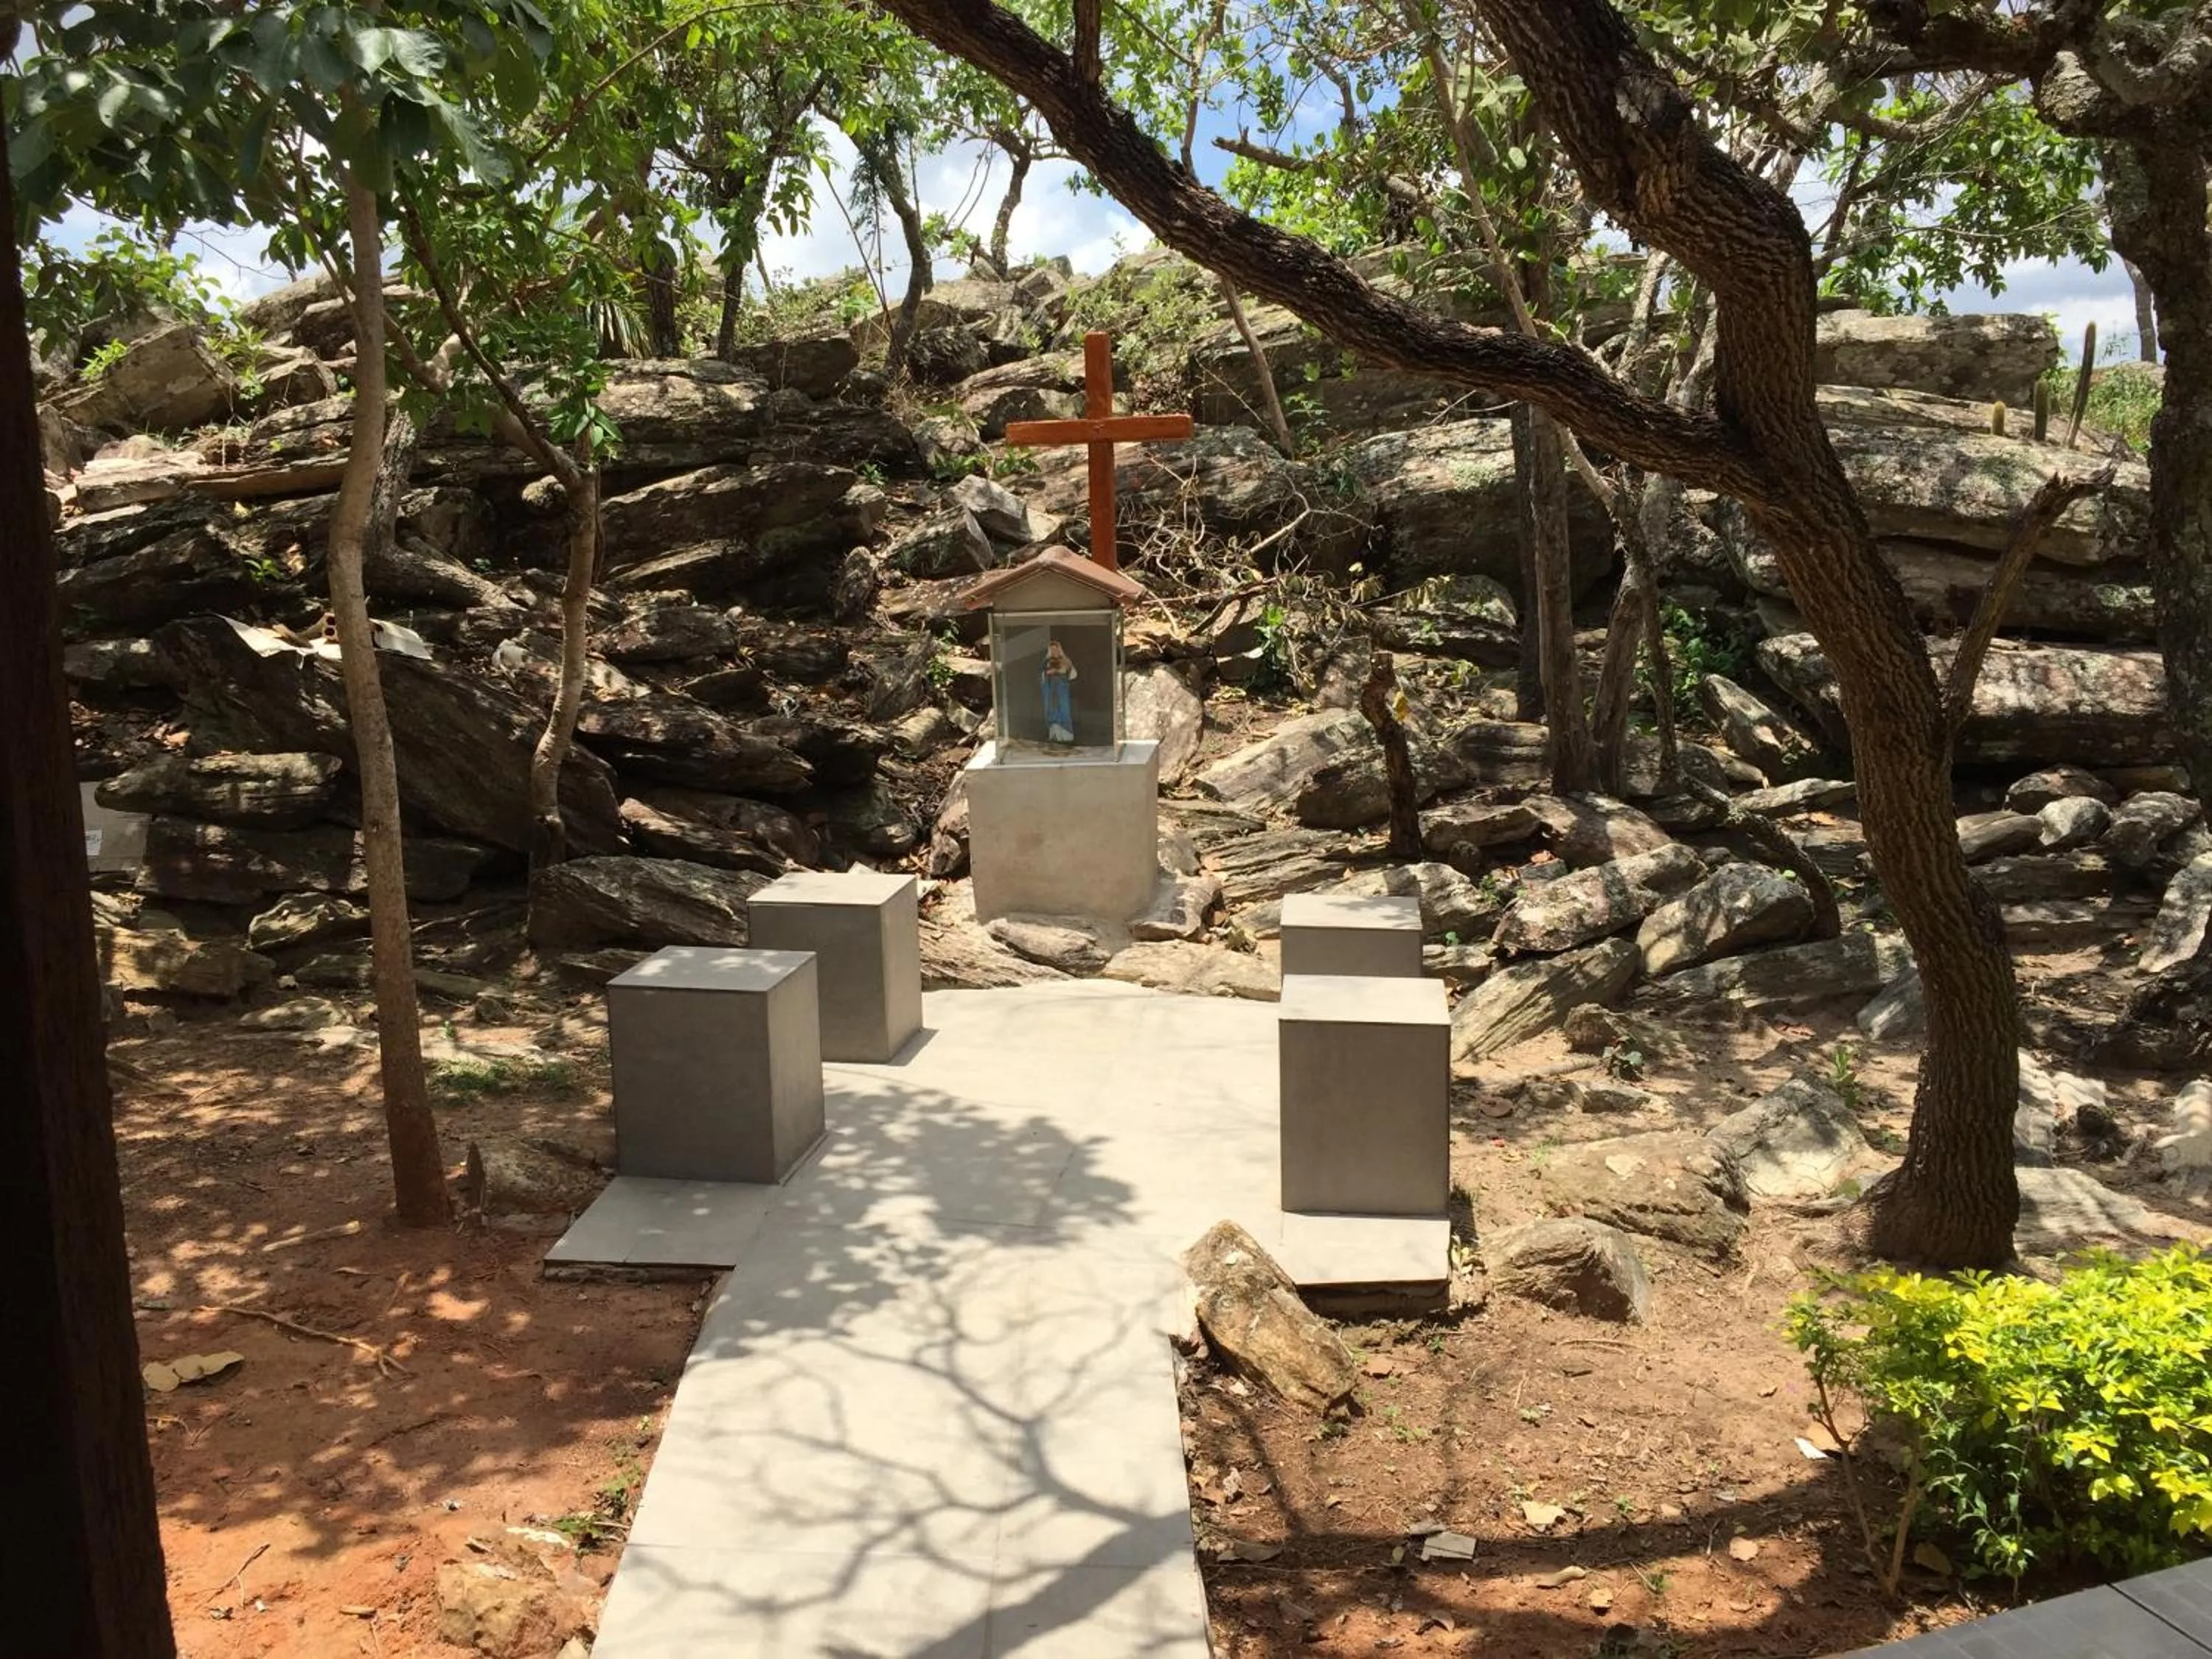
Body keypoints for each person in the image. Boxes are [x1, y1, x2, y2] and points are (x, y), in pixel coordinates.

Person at [1040, 639, 1077, 744]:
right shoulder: (1046, 662)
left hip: (1062, 689)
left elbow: (1073, 674)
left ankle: (1066, 736)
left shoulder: (1066, 661)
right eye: (1052, 650)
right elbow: (1042, 675)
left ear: (1059, 650)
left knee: (1064, 709)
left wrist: (1064, 670)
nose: (1054, 652)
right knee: (1052, 710)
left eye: (1056, 649)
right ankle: (1054, 735)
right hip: (1051, 690)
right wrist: (1048, 673)